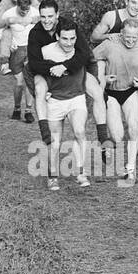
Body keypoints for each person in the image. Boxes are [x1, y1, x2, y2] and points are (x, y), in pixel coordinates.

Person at [27, 0, 111, 153]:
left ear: (57, 14)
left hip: (73, 69)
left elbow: (85, 54)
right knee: (39, 90)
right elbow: (33, 64)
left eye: (50, 16)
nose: (46, 20)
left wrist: (65, 67)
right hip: (48, 73)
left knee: (98, 92)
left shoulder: (68, 27)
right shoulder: (35, 33)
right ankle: (45, 132)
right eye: (43, 16)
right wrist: (54, 69)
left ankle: (103, 138)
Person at [90, 18, 138, 188]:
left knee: (134, 128)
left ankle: (131, 170)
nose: (130, 40)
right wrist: (103, 78)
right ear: (121, 33)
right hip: (111, 93)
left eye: (134, 37)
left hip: (130, 91)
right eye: (127, 36)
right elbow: (90, 62)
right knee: (118, 136)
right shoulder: (110, 44)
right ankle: (107, 148)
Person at [38, 17, 91, 191]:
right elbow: (30, 71)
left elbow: (93, 64)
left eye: (72, 38)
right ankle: (53, 176)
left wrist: (97, 86)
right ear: (57, 37)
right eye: (65, 38)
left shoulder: (81, 50)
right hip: (55, 100)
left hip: (76, 97)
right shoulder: (46, 52)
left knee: (80, 131)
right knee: (55, 141)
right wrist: (40, 90)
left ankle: (81, 171)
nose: (69, 43)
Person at [0, 0, 40, 121]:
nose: (24, 13)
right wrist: (9, 41)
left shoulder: (36, 13)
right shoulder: (9, 14)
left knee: (29, 81)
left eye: (27, 10)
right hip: (17, 51)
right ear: (17, 5)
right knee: (19, 82)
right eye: (22, 11)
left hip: (32, 50)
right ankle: (17, 108)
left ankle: (29, 111)